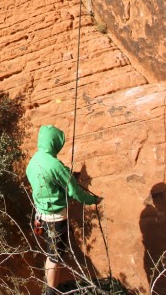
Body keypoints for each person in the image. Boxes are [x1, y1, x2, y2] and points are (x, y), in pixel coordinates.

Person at [25, 124, 102, 295]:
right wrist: (93, 200)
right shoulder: (55, 165)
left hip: (40, 216)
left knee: (50, 254)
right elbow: (75, 193)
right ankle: (50, 292)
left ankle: (50, 288)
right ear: (54, 142)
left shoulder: (33, 161)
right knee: (55, 257)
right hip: (56, 219)